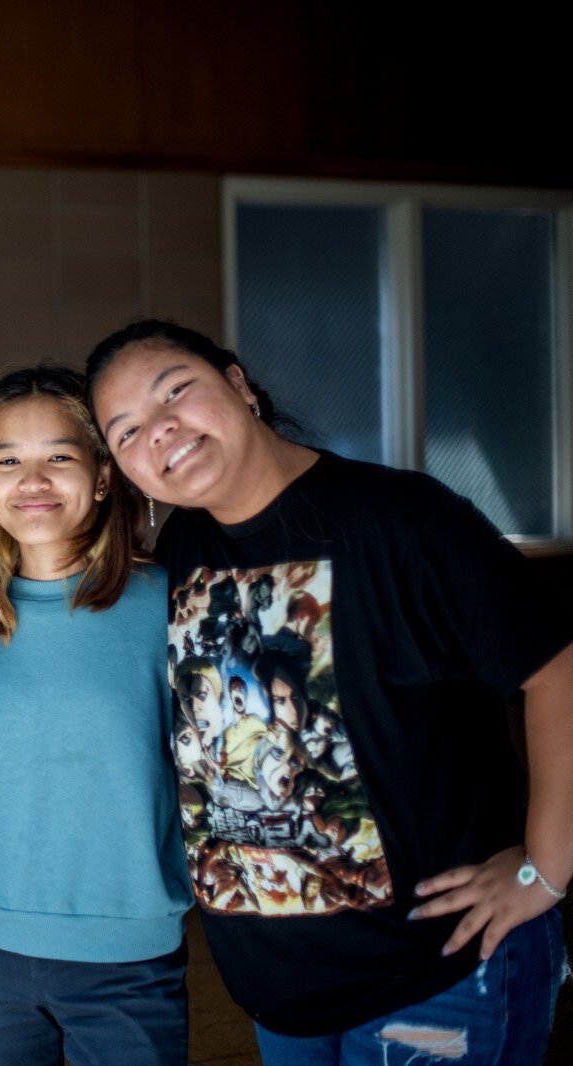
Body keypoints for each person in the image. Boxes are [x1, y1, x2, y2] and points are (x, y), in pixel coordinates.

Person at [87, 319, 573, 1063]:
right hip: (280, 991)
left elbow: (555, 668)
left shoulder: (400, 519)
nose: (159, 433)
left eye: (174, 394)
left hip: (436, 969)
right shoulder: (181, 550)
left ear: (239, 385)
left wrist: (546, 865)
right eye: (125, 433)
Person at [0, 365, 191, 1066]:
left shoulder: (167, 607)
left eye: (59, 458)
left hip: (124, 953)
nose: (32, 480)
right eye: (6, 459)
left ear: (102, 476)